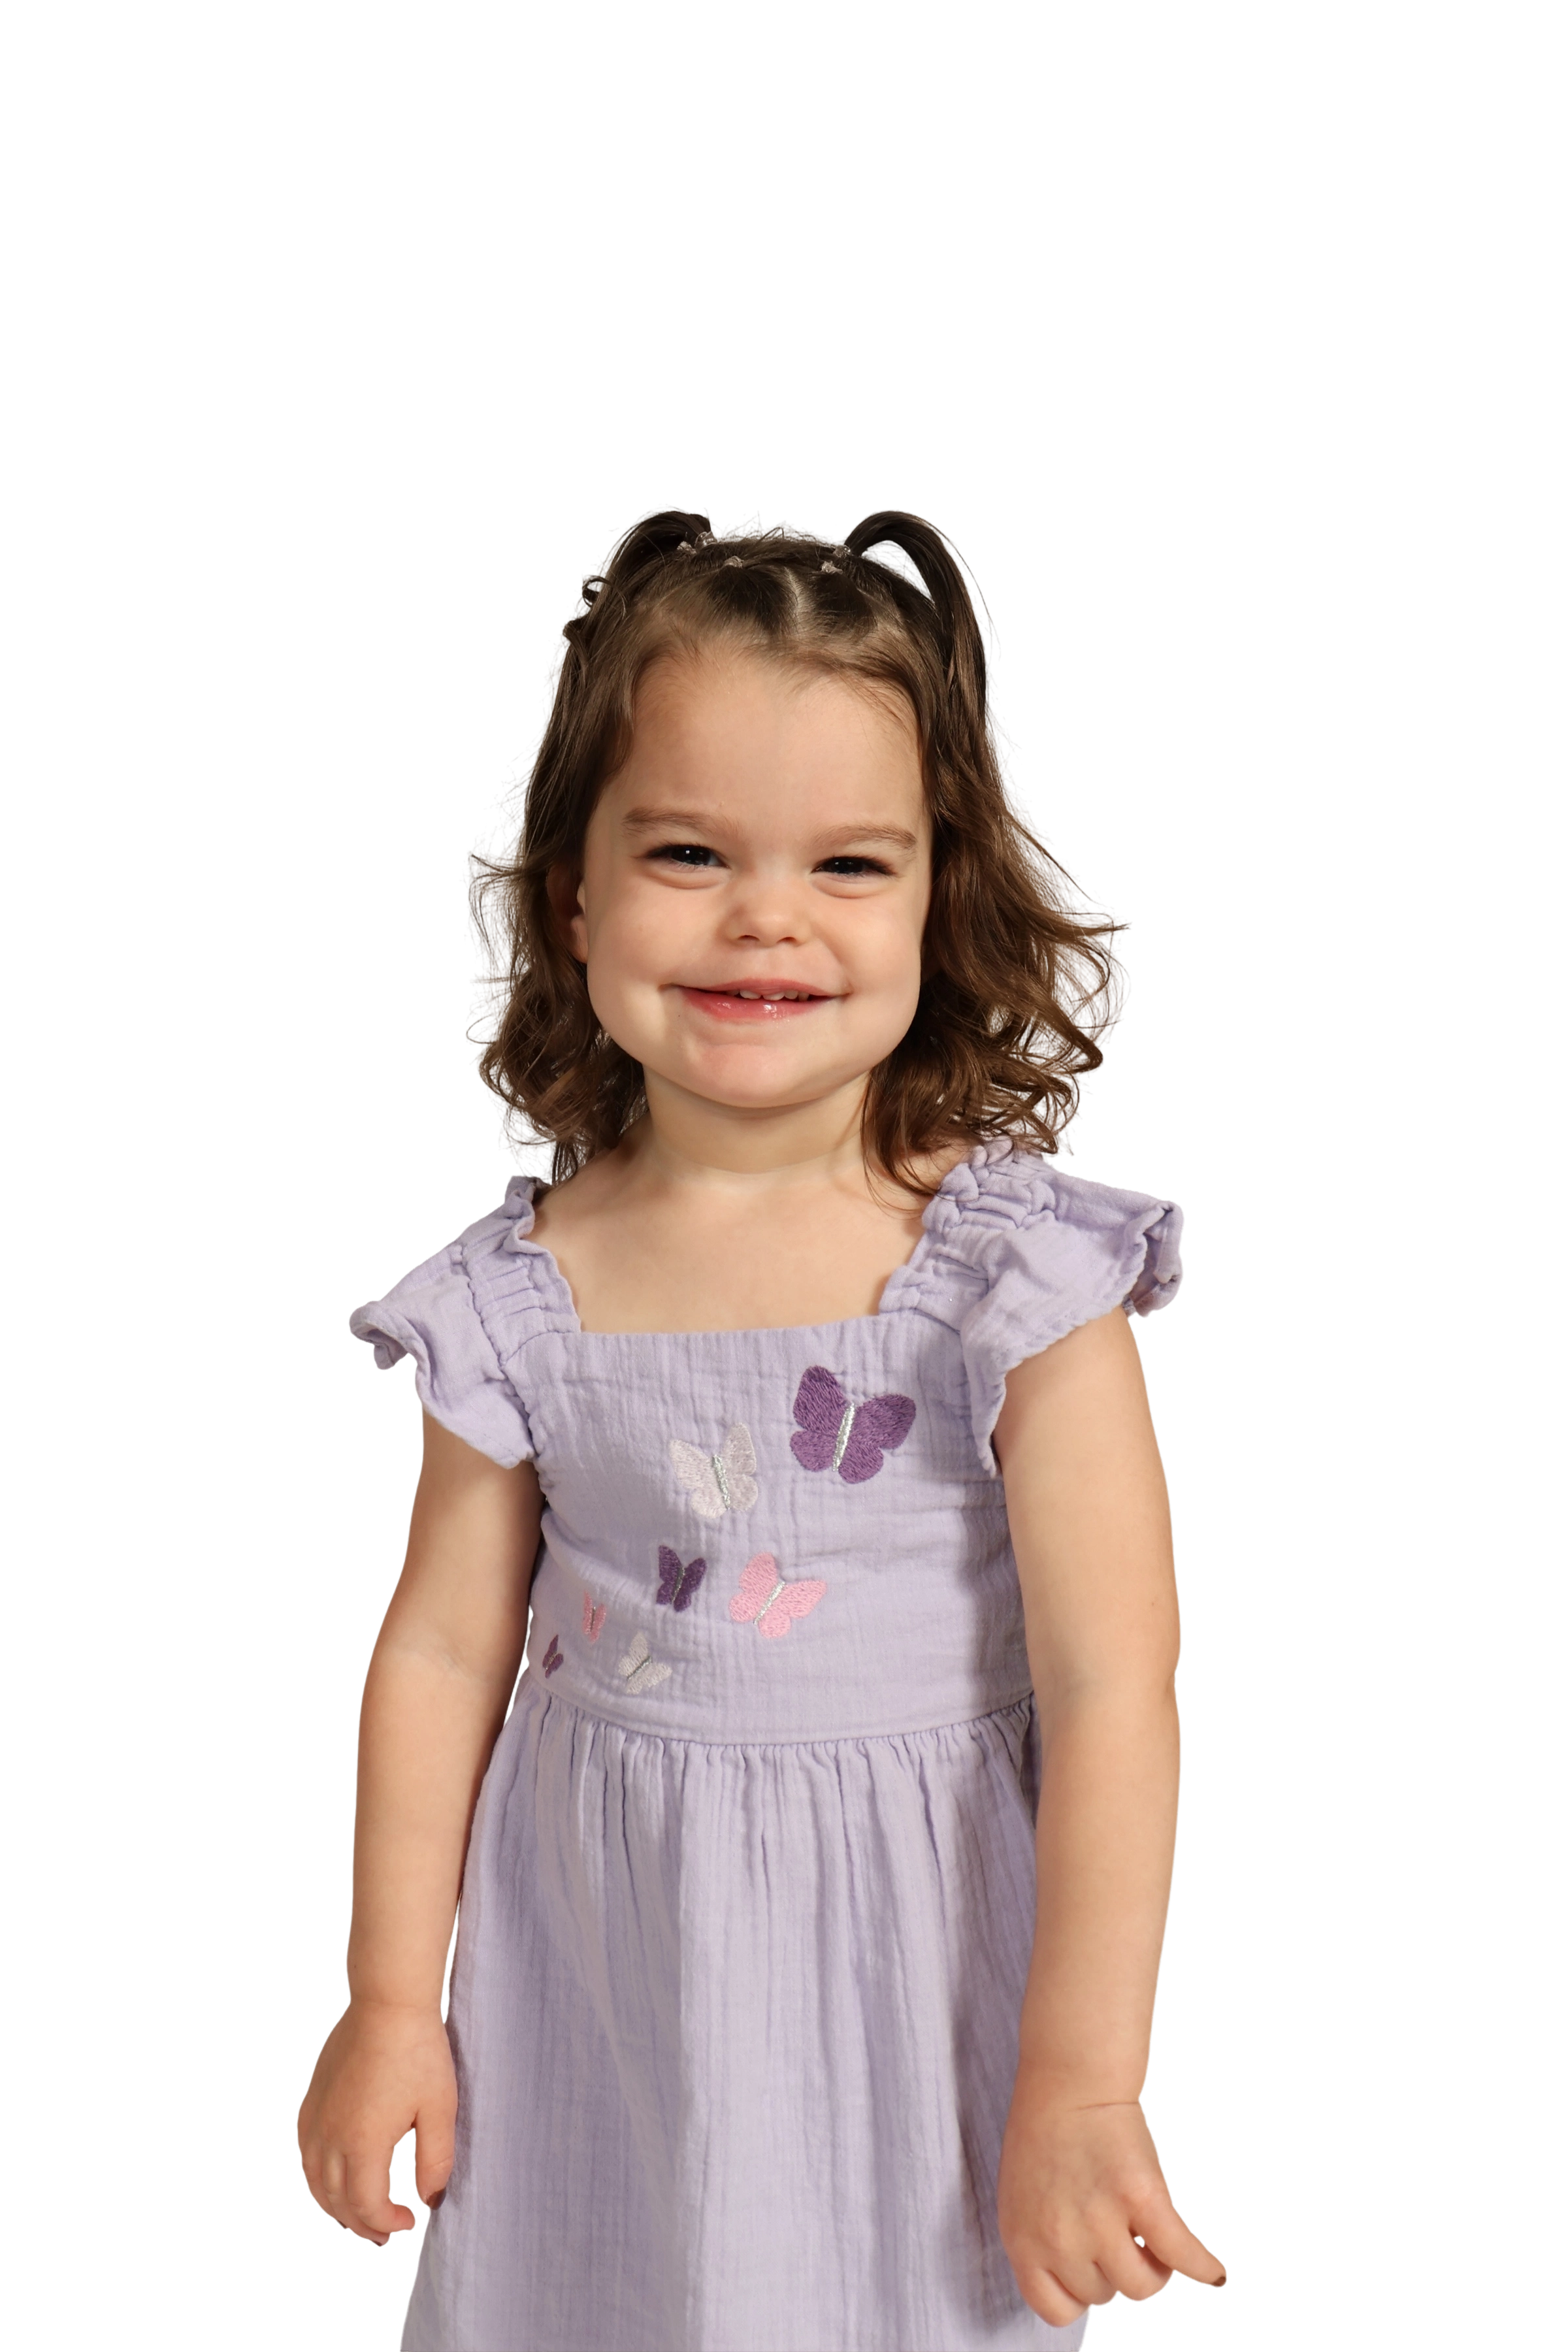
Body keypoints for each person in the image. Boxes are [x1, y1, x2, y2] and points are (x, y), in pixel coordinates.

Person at [295, 504, 1229, 2350]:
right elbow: (442, 1651)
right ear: (574, 897)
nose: (765, 916)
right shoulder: (516, 1294)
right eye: (689, 851)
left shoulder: (1012, 1274)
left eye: (850, 863)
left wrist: (1081, 2079)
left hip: (915, 1957)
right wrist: (391, 2002)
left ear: (945, 897)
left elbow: (1115, 1683)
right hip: (590, 1963)